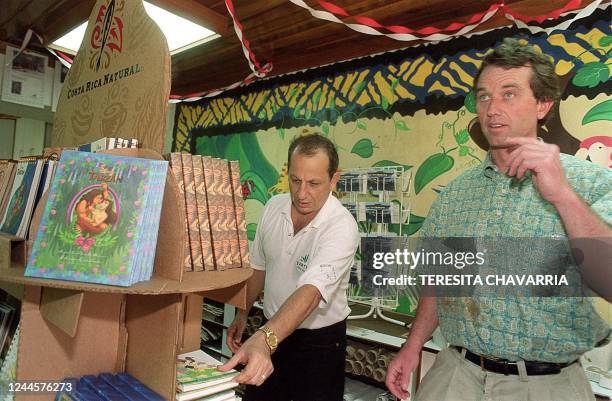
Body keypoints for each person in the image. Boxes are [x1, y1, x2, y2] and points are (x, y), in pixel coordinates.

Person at [386, 38, 611, 401]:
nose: (491, 108)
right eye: (484, 96)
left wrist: (563, 197)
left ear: (543, 104)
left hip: (545, 385)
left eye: (509, 94)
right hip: (455, 375)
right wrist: (413, 344)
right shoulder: (455, 194)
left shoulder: (590, 184)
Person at [217, 133, 359, 401]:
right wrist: (242, 312)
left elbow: (312, 292)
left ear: (334, 179)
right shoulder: (273, 208)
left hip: (319, 344)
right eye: (295, 180)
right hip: (271, 331)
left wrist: (263, 339)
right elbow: (259, 266)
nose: (302, 193)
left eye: (314, 183)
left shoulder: (341, 226)